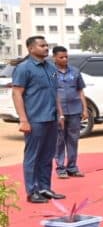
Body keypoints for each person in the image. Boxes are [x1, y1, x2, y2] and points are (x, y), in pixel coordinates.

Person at [11, 36, 65, 203]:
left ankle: (44, 188)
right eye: (42, 46)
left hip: (51, 118)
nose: (46, 48)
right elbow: (17, 94)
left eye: (46, 45)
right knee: (33, 157)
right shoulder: (23, 68)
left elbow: (55, 92)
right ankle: (32, 191)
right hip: (35, 119)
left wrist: (60, 114)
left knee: (47, 156)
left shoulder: (51, 67)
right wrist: (23, 120)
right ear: (31, 49)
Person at [52, 45, 86, 179]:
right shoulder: (51, 72)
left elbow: (80, 91)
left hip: (75, 110)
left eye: (66, 57)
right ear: (54, 57)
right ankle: (60, 168)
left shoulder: (75, 71)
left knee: (73, 140)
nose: (65, 59)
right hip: (57, 112)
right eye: (61, 57)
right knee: (59, 141)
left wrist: (84, 109)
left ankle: (72, 167)